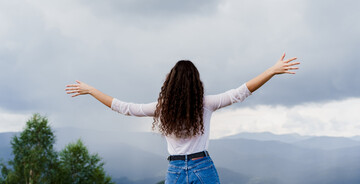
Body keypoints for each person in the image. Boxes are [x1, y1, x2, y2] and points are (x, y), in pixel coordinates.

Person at [65, 53, 299, 184]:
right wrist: (271, 70)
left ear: (171, 82)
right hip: (203, 166)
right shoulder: (205, 103)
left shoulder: (162, 108)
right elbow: (241, 92)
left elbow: (124, 108)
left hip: (174, 170)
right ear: (196, 82)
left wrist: (91, 90)